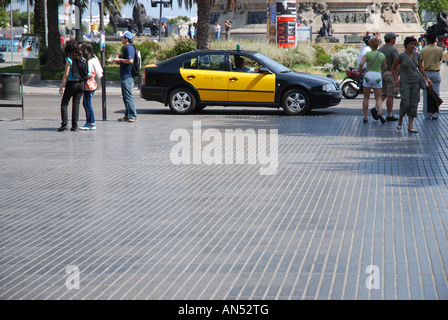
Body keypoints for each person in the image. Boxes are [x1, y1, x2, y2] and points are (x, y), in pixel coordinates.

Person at [391, 36, 433, 133]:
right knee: (405, 103)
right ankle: (400, 120)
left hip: (415, 82)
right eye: (411, 44)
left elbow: (420, 68)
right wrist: (395, 79)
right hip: (405, 82)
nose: (413, 46)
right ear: (406, 45)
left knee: (414, 103)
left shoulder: (417, 55)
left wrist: (427, 78)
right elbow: (393, 67)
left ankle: (410, 126)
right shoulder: (401, 56)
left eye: (414, 44)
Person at [58, 39, 85, 132]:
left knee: (64, 103)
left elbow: (66, 73)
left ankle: (65, 124)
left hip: (71, 83)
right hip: (81, 83)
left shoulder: (69, 59)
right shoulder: (81, 57)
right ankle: (75, 126)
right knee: (76, 105)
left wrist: (62, 85)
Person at [358, 37, 387, 123]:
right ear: (378, 45)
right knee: (378, 97)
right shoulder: (382, 55)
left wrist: (360, 72)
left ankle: (365, 117)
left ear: (370, 45)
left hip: (368, 75)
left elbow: (361, 64)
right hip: (377, 75)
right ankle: (380, 112)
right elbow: (385, 68)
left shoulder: (367, 54)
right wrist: (380, 73)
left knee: (366, 98)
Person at [113, 31, 137, 122]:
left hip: (128, 76)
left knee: (128, 96)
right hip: (125, 75)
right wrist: (118, 61)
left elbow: (130, 61)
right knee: (125, 96)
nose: (121, 39)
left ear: (126, 39)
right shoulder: (127, 48)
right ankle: (127, 115)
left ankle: (133, 116)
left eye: (123, 37)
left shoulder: (129, 48)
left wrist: (120, 60)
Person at [80, 42, 103, 131]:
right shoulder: (93, 58)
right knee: (86, 103)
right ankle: (89, 122)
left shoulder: (91, 60)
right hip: (90, 84)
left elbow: (96, 72)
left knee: (87, 104)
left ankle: (91, 123)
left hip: (89, 85)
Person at [377, 32, 400, 121]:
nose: (395, 39)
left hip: (382, 73)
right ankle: (389, 115)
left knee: (384, 93)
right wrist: (399, 76)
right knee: (390, 95)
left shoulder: (380, 49)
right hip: (391, 74)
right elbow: (396, 64)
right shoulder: (393, 50)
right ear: (391, 39)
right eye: (394, 38)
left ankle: (376, 108)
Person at [421, 32, 443, 120]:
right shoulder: (440, 49)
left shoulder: (423, 50)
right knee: (436, 94)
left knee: (426, 94)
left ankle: (427, 113)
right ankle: (435, 113)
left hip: (426, 73)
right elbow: (440, 59)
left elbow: (420, 62)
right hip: (436, 73)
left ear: (427, 40)